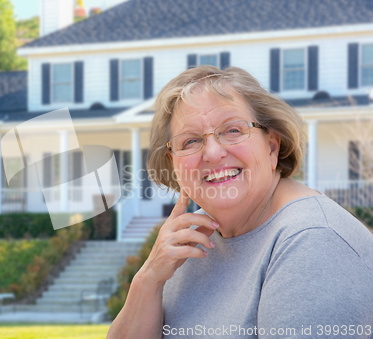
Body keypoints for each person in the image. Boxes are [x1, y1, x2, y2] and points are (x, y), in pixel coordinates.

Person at [106, 66, 373, 339]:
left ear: (271, 147)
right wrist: (149, 278)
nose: (212, 152)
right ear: (174, 164)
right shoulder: (189, 244)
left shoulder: (312, 241)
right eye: (190, 141)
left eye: (232, 130)